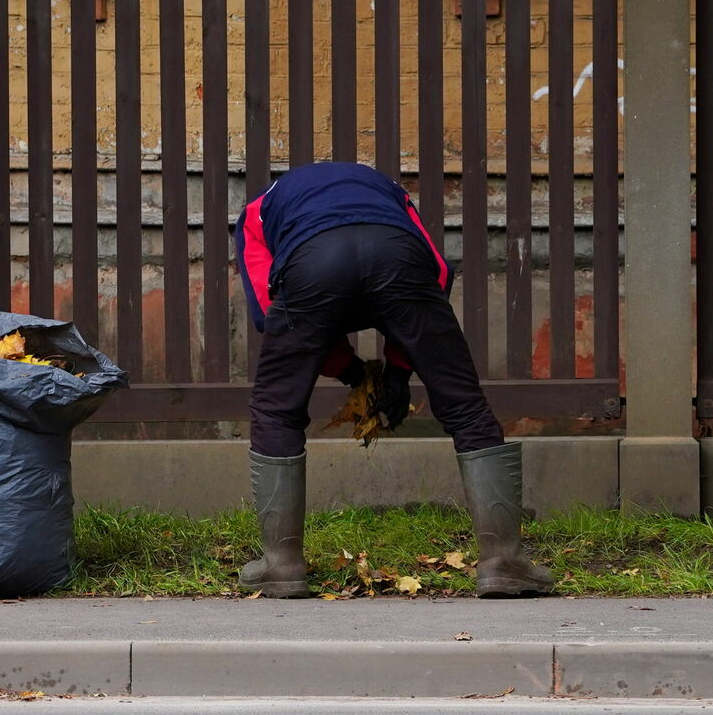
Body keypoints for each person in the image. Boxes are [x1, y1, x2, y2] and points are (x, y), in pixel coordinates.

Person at [234, 161, 553, 599]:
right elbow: (438, 271)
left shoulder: (257, 213)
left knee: (276, 409)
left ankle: (281, 566)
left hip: (313, 262)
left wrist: (348, 370)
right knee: (464, 403)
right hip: (396, 254)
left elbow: (269, 310)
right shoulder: (390, 192)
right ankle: (504, 563)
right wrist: (400, 370)